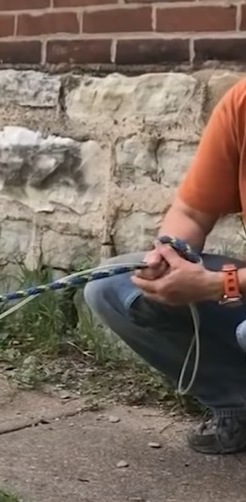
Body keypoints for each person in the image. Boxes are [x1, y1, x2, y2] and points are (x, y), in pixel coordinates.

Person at [84, 78, 246, 455]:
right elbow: (192, 211)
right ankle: (237, 403)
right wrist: (168, 254)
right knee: (115, 289)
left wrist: (219, 285)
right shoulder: (241, 103)